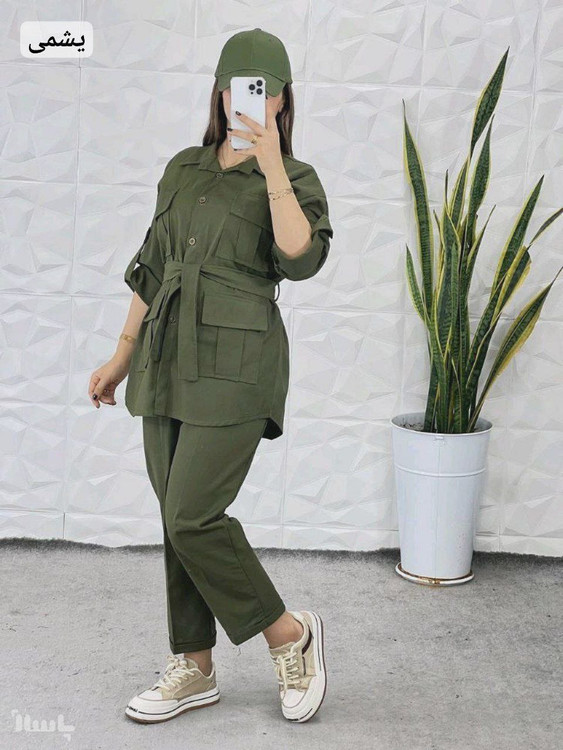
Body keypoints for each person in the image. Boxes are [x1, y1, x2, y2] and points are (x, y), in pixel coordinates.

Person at [88, 28, 333, 725]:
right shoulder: (183, 169)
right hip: (165, 358)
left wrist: (272, 163)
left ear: (282, 100)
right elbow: (152, 265)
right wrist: (121, 355)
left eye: (265, 88)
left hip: (239, 363)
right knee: (176, 518)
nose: (250, 98)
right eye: (239, 85)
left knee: (192, 514)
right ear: (220, 92)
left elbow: (300, 258)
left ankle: (288, 634)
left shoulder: (296, 178)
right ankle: (193, 664)